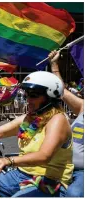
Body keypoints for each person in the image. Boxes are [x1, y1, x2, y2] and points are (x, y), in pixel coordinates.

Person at [0, 71, 73, 197]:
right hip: (19, 175)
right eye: (27, 95)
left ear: (50, 97)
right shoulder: (30, 118)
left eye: (34, 95)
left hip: (49, 182)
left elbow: (44, 156)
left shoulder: (58, 120)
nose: (28, 100)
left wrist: (7, 160)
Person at [49, 50, 84, 197]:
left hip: (81, 173)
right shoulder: (83, 106)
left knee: (74, 194)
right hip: (62, 166)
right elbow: (62, 91)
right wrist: (54, 65)